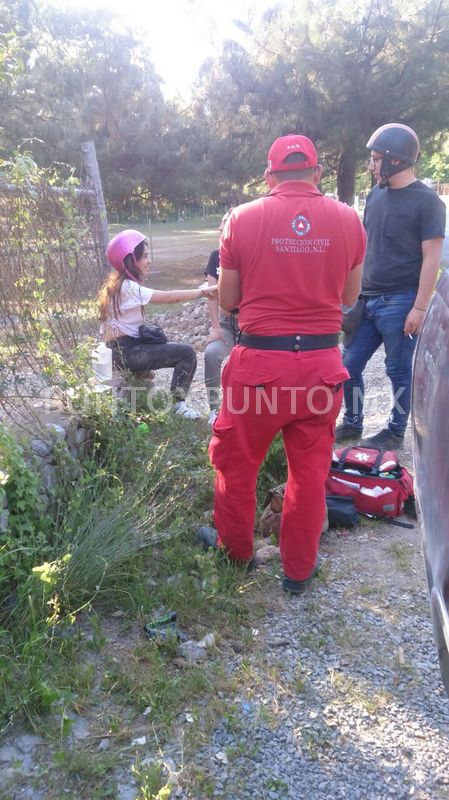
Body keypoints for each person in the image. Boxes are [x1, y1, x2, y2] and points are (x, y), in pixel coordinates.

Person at [198, 134, 366, 594]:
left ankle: (236, 556)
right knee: (309, 474)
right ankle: (298, 571)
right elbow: (349, 298)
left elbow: (229, 299)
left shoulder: (241, 219)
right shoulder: (350, 220)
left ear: (269, 177)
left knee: (237, 465)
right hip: (320, 368)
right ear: (316, 174)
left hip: (260, 368)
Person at [335, 123, 446, 449]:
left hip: (401, 301)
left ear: (395, 160)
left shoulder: (428, 203)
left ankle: (396, 431)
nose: (371, 165)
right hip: (367, 299)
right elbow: (367, 247)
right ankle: (352, 423)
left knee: (398, 370)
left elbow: (431, 259)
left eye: (375, 158)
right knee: (347, 366)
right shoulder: (375, 195)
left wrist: (420, 307)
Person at [98, 229, 217, 419]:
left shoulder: (117, 285)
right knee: (186, 353)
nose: (149, 261)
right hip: (126, 353)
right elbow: (171, 297)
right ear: (131, 260)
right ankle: (178, 406)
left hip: (120, 350)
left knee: (164, 341)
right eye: (144, 256)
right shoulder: (127, 287)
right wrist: (203, 292)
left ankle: (175, 405)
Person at [203, 210, 239, 426]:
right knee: (210, 354)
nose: (220, 228)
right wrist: (215, 327)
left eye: (225, 223)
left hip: (250, 326)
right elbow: (211, 295)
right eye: (221, 223)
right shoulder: (215, 256)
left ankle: (247, 410)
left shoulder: (251, 254)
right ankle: (215, 410)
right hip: (226, 324)